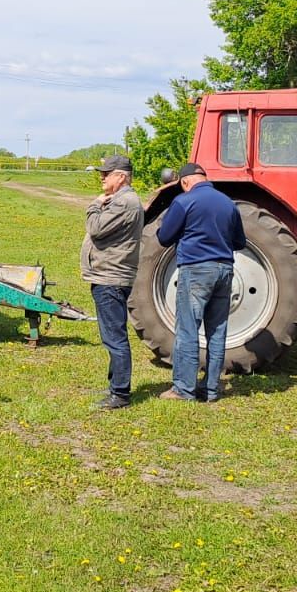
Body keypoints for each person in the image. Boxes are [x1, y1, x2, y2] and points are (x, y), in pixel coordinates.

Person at [156, 163, 246, 403]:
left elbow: (164, 238)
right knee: (217, 332)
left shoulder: (184, 202)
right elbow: (239, 241)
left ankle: (184, 389)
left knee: (187, 330)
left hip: (196, 270)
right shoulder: (228, 203)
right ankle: (211, 390)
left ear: (185, 182)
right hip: (225, 271)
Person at [81, 153, 144, 410]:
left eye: (106, 173)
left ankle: (120, 393)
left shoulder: (124, 203)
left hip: (111, 277)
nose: (102, 177)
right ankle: (115, 386)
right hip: (109, 275)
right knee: (112, 335)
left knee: (115, 337)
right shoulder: (122, 201)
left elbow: (95, 227)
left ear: (121, 176)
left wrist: (95, 204)